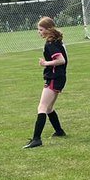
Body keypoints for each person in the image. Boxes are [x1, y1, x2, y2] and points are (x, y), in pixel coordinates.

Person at [23, 17, 68, 149]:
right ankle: (59, 131)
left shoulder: (51, 43)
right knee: (48, 108)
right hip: (58, 77)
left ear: (49, 30)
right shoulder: (56, 41)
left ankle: (36, 139)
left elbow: (61, 60)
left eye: (41, 29)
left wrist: (45, 63)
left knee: (42, 108)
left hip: (55, 77)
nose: (39, 32)